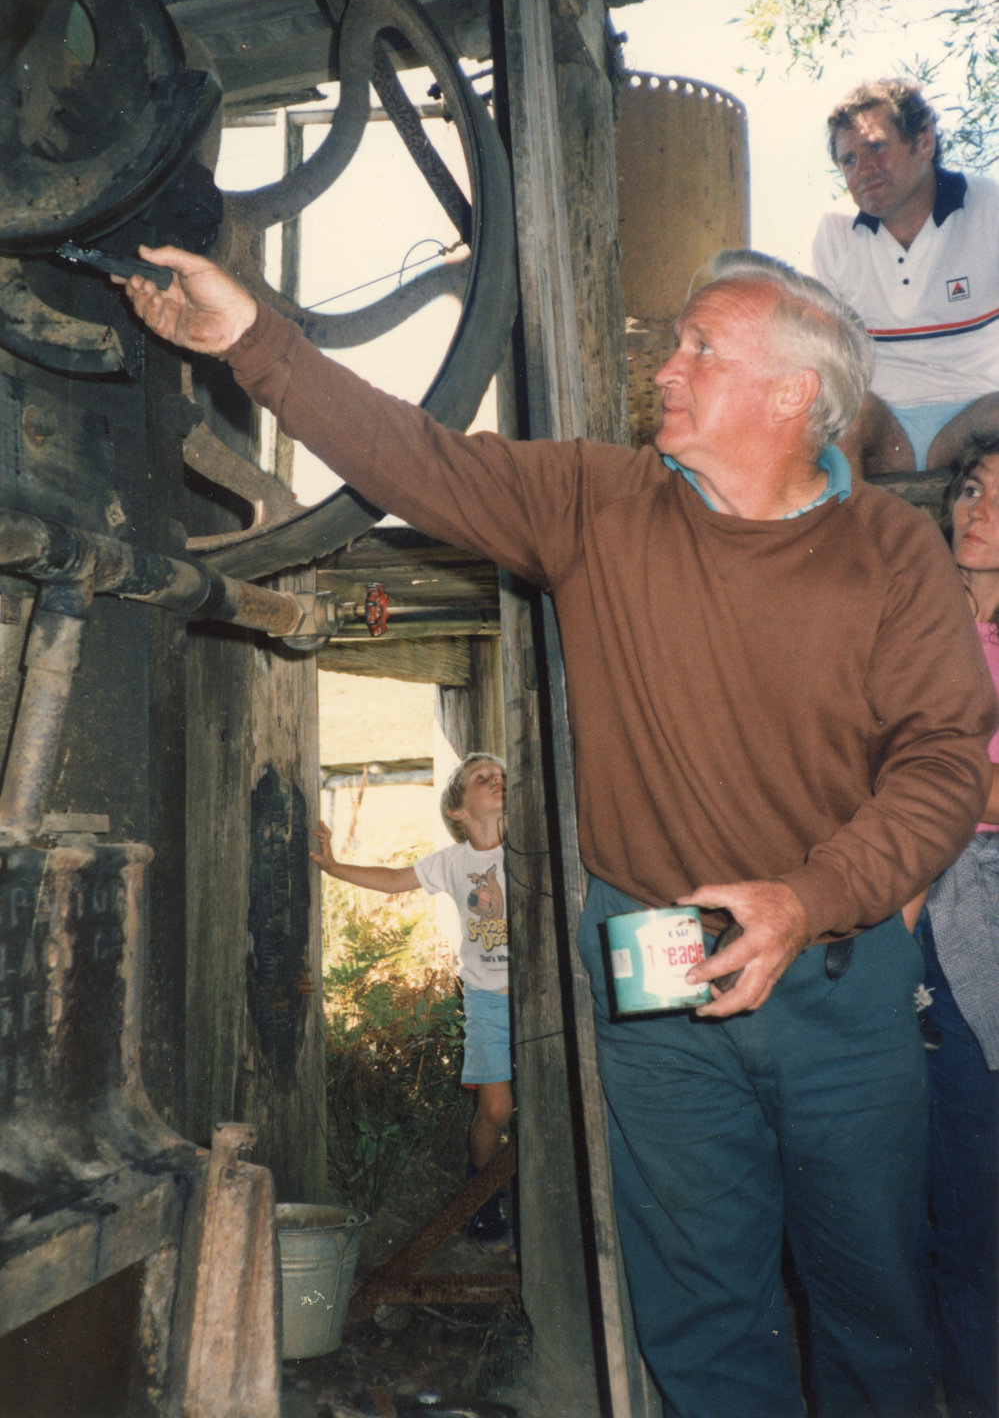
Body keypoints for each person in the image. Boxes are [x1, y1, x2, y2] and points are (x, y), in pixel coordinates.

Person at [120, 241, 997, 1418]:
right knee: (697, 1305)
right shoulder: (599, 499)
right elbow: (413, 456)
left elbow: (943, 760)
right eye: (674, 342)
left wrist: (815, 892)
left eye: (700, 348)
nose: (665, 369)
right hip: (657, 967)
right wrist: (254, 337)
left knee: (872, 1302)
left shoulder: (891, 550)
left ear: (796, 394)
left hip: (839, 975)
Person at [311, 753, 514, 1252]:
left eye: (500, 776)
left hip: (542, 1000)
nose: (495, 781)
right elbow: (395, 879)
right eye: (481, 779)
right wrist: (334, 867)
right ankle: (481, 1201)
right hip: (489, 1001)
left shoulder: (528, 849)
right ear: (458, 812)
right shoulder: (452, 862)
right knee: (495, 1110)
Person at [915, 435, 999, 1418]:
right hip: (906, 903)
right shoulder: (905, 611)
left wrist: (933, 786)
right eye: (971, 487)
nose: (977, 508)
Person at [812, 78, 999, 477]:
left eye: (876, 147)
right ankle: (848, 537)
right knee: (843, 416)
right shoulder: (832, 231)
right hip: (882, 426)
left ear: (924, 142)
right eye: (848, 160)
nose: (863, 169)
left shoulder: (989, 208)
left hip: (974, 419)